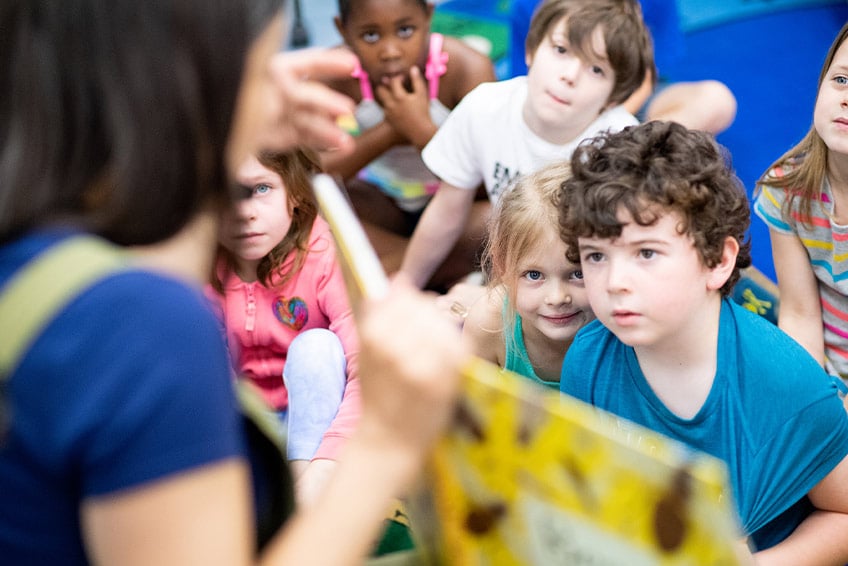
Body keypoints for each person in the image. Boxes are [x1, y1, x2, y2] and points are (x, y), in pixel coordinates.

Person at [0, 1, 467, 565]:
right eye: (263, 61)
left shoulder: (52, 260)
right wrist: (387, 439)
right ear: (209, 80)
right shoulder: (142, 325)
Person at [559, 120, 848, 559]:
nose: (615, 281)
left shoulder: (786, 383)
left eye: (646, 253)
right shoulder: (588, 358)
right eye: (596, 256)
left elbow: (842, 516)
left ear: (718, 261)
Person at [399, 0, 654, 289]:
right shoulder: (485, 107)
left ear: (613, 96)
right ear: (532, 50)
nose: (569, 76)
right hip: (516, 265)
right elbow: (447, 211)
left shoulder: (619, 144)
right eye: (561, 50)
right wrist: (406, 283)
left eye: (596, 69)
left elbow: (626, 253)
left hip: (581, 282)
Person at [209, 149, 360, 506]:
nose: (245, 211)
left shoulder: (321, 251)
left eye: (261, 189)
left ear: (294, 194)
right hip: (246, 429)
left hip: (317, 428)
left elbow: (366, 368)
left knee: (318, 346)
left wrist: (325, 462)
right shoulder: (202, 261)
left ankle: (303, 495)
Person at [321, 0, 496, 289]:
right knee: (309, 207)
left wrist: (420, 131)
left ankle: (388, 273)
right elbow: (312, 176)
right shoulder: (334, 73)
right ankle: (430, 269)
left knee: (498, 217)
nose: (390, 52)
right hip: (383, 202)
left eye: (405, 30)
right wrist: (390, 130)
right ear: (344, 30)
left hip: (455, 210)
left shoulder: (468, 68)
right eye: (371, 36)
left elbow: (489, 183)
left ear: (428, 15)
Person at [753, 22, 848, 380]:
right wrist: (811, 396)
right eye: (842, 80)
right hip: (830, 367)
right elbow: (799, 313)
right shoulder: (787, 189)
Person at [462, 161, 594, 389]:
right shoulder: (490, 325)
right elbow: (468, 414)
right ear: (502, 266)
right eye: (534, 275)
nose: (557, 297)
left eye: (577, 273)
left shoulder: (621, 330)